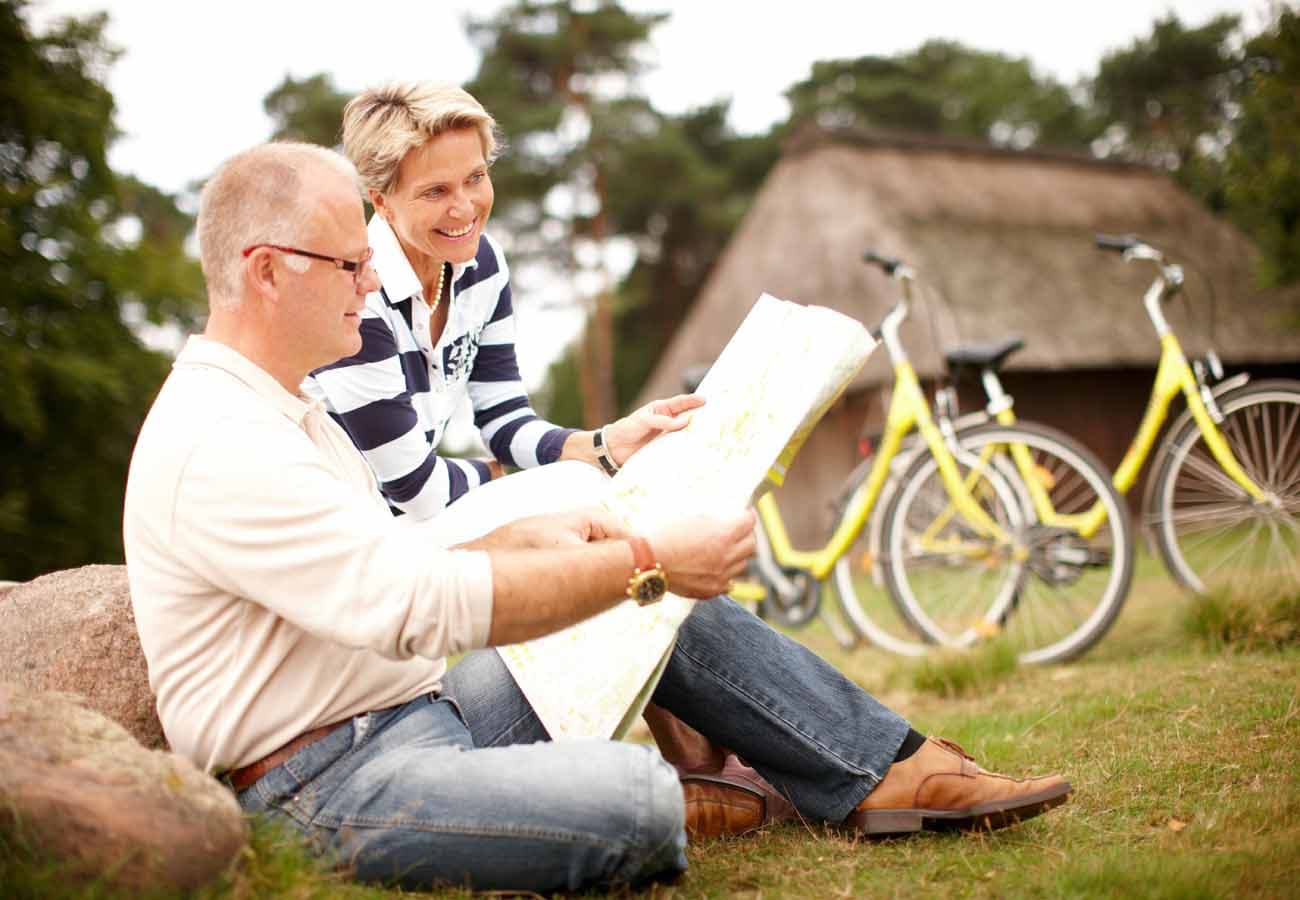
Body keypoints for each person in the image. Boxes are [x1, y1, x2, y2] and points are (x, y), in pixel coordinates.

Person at [123, 141, 1072, 895]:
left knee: (648, 599)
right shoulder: (221, 439)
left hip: (423, 713)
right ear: (268, 272)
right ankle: (685, 794)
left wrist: (544, 539)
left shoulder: (287, 409)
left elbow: (390, 550)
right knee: (633, 801)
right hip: (327, 786)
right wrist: (648, 559)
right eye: (351, 265)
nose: (373, 288)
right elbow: (408, 602)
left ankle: (885, 772)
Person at [301, 81, 698, 518]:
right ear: (382, 201)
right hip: (337, 540)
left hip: (417, 534)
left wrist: (604, 445)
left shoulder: (483, 264)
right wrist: (489, 475)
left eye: (475, 178)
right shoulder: (355, 293)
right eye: (436, 191)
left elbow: (504, 419)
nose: (466, 209)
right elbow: (414, 490)